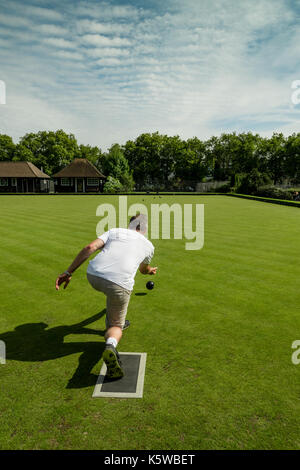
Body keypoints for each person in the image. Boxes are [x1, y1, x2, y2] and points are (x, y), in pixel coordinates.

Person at [55, 214, 157, 379]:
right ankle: (111, 345)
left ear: (130, 225)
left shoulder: (114, 231)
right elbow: (143, 269)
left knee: (112, 297)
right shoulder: (149, 246)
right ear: (144, 229)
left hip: (93, 275)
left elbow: (89, 248)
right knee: (116, 325)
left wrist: (68, 272)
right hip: (119, 285)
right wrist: (150, 270)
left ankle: (115, 321)